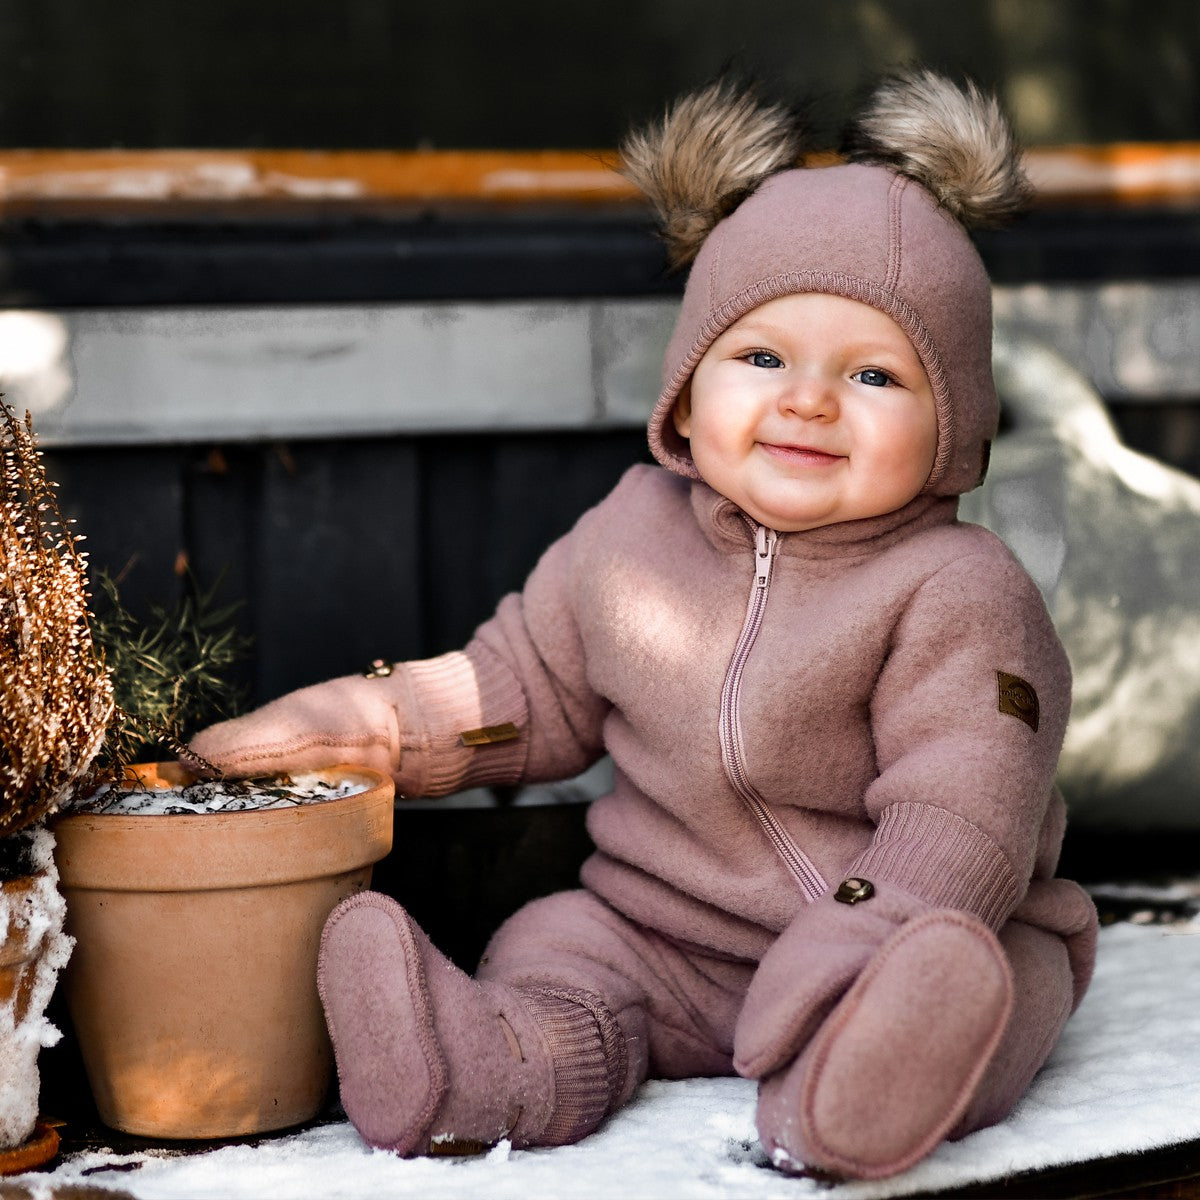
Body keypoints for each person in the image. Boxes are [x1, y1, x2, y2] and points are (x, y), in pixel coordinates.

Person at [189, 69, 1098, 1181]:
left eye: (874, 373)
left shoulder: (960, 587)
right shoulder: (628, 537)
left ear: (954, 423)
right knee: (554, 943)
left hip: (916, 932)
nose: (808, 400)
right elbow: (518, 688)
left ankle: (845, 1095)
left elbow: (969, 804)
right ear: (688, 386)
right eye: (762, 357)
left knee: (980, 994)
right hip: (671, 939)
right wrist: (368, 725)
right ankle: (488, 1064)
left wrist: (872, 929)